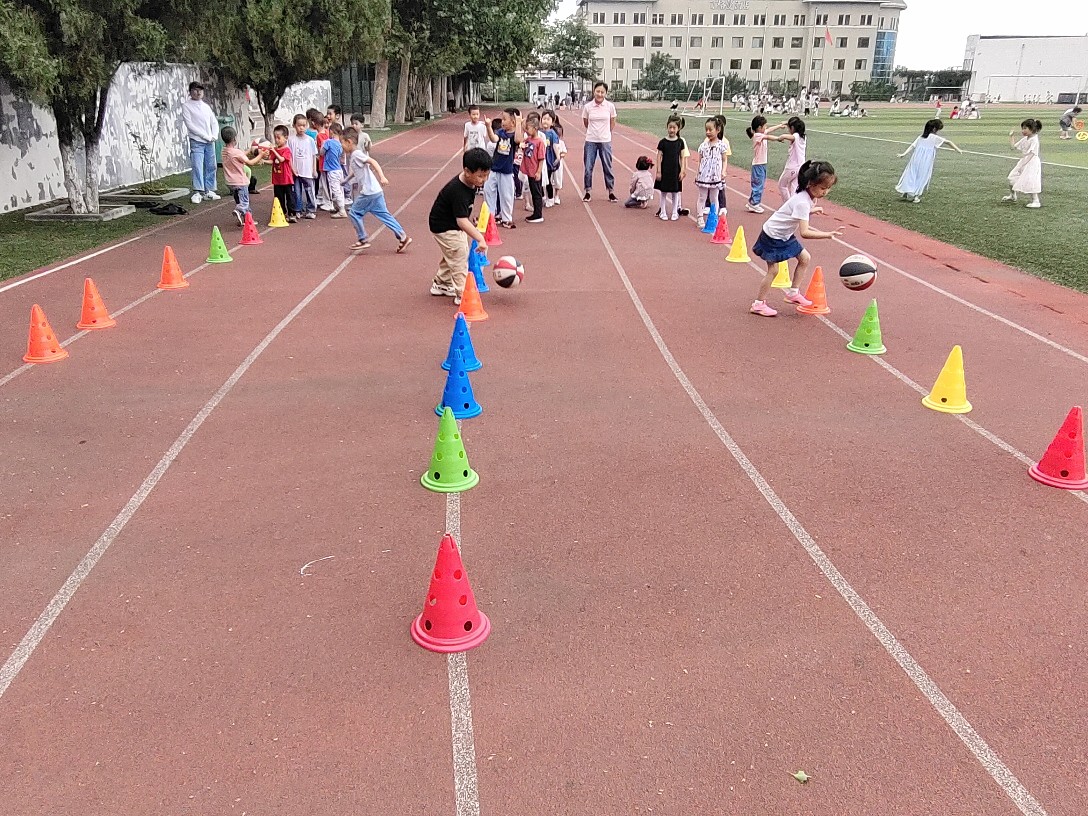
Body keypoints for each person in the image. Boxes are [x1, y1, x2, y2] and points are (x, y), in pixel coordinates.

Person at [749, 160, 844, 317]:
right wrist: (828, 234)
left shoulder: (806, 198)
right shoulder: (802, 202)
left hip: (783, 235)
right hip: (773, 235)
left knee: (805, 258)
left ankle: (793, 293)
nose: (825, 192)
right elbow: (805, 232)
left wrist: (811, 211)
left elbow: (794, 211)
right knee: (773, 271)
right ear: (810, 184)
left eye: (828, 188)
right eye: (823, 188)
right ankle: (758, 304)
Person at [429, 148, 492, 304]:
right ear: (467, 171)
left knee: (453, 252)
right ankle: (463, 294)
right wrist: (480, 238)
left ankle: (442, 283)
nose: (484, 179)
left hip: (449, 223)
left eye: (486, 175)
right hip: (444, 226)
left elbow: (463, 213)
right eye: (480, 176)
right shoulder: (458, 190)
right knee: (459, 255)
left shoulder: (470, 182)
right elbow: (461, 221)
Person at [342, 128, 412, 253]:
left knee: (354, 213)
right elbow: (356, 171)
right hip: (376, 191)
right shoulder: (354, 156)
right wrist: (345, 180)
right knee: (384, 215)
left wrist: (382, 176)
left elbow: (372, 161)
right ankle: (403, 237)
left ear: (349, 142)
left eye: (342, 143)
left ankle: (363, 239)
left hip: (368, 192)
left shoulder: (357, 154)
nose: (341, 146)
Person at [895, 119, 962, 203]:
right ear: (934, 129)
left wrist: (904, 154)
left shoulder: (921, 137)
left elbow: (912, 146)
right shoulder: (934, 138)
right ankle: (916, 196)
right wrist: (957, 149)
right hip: (925, 161)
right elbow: (948, 142)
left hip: (915, 159)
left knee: (911, 174)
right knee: (922, 177)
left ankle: (906, 191)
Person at [483, 108, 524, 228]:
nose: (502, 121)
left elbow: (518, 140)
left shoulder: (514, 135)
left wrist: (518, 123)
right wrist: (488, 127)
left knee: (506, 195)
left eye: (505, 119)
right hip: (494, 168)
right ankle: (490, 216)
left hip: (506, 171)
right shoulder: (501, 132)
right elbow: (493, 139)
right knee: (488, 191)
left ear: (512, 122)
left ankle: (506, 218)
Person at [181, 81, 220, 205]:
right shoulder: (187, 106)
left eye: (200, 90)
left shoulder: (205, 106)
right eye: (195, 90)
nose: (198, 92)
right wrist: (204, 136)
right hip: (197, 140)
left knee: (211, 165)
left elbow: (213, 122)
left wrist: (214, 135)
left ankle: (209, 190)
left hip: (209, 141)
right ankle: (198, 191)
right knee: (197, 165)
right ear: (190, 91)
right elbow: (190, 125)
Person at [219, 126, 265, 226]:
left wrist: (249, 150)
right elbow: (250, 162)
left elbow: (239, 155)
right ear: (234, 138)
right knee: (244, 202)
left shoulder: (224, 151)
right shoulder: (237, 152)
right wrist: (260, 155)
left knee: (240, 201)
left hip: (230, 183)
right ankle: (239, 211)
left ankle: (248, 220)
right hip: (240, 182)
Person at [581, 81, 618, 202]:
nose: (600, 94)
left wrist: (606, 133)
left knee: (607, 166)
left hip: (605, 140)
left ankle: (611, 191)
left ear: (606, 93)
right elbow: (586, 122)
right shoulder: (588, 107)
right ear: (594, 91)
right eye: (598, 91)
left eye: (602, 92)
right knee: (588, 167)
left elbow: (612, 121)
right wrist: (593, 132)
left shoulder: (610, 106)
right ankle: (588, 191)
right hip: (590, 140)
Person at [695, 116, 730, 228]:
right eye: (706, 130)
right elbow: (700, 160)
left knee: (714, 198)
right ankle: (700, 217)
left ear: (718, 130)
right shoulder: (703, 146)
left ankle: (713, 217)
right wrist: (698, 172)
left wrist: (723, 171)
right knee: (702, 197)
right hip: (704, 175)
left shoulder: (722, 145)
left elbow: (724, 159)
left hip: (715, 176)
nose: (708, 132)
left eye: (710, 130)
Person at [745, 115, 785, 213]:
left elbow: (769, 130)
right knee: (759, 185)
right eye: (764, 126)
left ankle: (752, 202)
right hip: (758, 164)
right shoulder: (758, 135)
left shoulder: (760, 133)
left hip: (761, 164)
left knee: (759, 183)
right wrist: (778, 138)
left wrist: (779, 126)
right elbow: (768, 136)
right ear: (759, 127)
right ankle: (755, 204)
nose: (766, 128)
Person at [654, 114, 687, 220]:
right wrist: (659, 171)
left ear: (678, 129)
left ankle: (674, 212)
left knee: (675, 192)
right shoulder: (663, 142)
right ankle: (662, 211)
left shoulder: (680, 142)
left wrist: (682, 170)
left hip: (675, 170)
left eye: (674, 128)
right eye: (670, 127)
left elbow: (682, 157)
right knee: (663, 192)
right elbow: (659, 156)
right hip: (665, 170)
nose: (672, 130)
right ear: (667, 127)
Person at [1004, 119, 1043, 208]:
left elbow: (1032, 154)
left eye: (1025, 128)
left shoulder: (1034, 140)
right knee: (1012, 177)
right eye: (1022, 128)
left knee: (1031, 181)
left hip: (1032, 163)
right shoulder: (1025, 139)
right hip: (1024, 161)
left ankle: (1036, 201)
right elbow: (1013, 147)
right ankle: (1012, 196)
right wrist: (1011, 136)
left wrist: (1023, 164)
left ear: (1032, 129)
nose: (1023, 131)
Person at [287, 114, 318, 219]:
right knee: (296, 192)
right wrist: (292, 168)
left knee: (309, 191)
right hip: (296, 171)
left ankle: (311, 210)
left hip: (307, 171)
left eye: (304, 125)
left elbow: (314, 155)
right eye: (299, 125)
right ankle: (298, 210)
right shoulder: (291, 140)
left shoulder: (310, 140)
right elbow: (289, 156)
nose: (301, 128)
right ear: (294, 125)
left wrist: (314, 170)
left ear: (307, 126)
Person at [266, 125, 296, 223]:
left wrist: (274, 151)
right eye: (275, 138)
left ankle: (292, 214)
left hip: (286, 178)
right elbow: (272, 161)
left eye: (279, 138)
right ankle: (282, 212)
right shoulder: (275, 150)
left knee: (290, 197)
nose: (276, 140)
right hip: (277, 179)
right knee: (279, 197)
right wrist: (263, 160)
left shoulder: (286, 150)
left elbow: (282, 159)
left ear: (286, 137)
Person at [521, 114, 547, 223]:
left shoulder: (539, 142)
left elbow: (541, 158)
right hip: (529, 170)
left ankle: (538, 214)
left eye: (529, 128)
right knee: (533, 191)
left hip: (535, 171)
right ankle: (536, 213)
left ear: (535, 128)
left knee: (536, 193)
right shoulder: (528, 139)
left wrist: (539, 172)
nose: (526, 131)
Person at [776, 116, 807, 203]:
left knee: (782, 185)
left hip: (792, 167)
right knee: (794, 188)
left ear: (792, 128)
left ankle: (788, 205)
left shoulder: (795, 136)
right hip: (801, 167)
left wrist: (782, 136)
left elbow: (792, 137)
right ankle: (794, 205)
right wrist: (787, 123)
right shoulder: (803, 137)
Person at [322, 121, 348, 217]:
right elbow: (342, 158)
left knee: (335, 190)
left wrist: (323, 145)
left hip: (332, 170)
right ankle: (339, 206)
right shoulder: (340, 144)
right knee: (340, 189)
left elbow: (321, 152)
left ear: (331, 132)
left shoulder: (328, 142)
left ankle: (342, 210)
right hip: (339, 169)